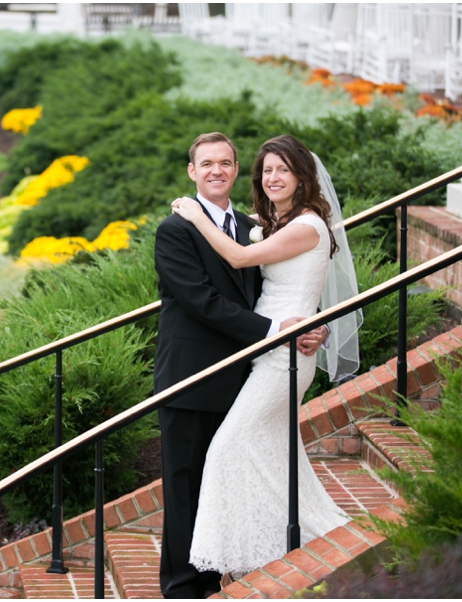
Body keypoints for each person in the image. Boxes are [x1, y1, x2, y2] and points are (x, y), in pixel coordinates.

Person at [170, 134, 362, 576]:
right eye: (268, 170)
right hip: (269, 347)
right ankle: (281, 546)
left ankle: (244, 551)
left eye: (284, 169)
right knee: (274, 451)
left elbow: (238, 257)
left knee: (228, 446)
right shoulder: (276, 222)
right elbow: (243, 228)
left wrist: (196, 215)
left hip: (286, 355)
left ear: (302, 176)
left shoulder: (307, 225)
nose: (274, 177)